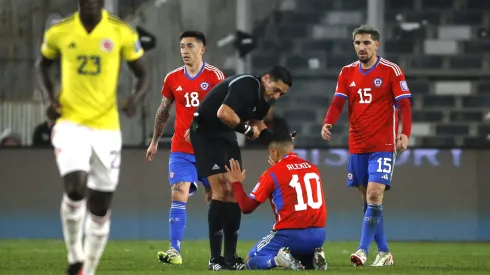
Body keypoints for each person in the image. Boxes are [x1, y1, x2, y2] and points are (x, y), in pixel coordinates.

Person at [35, 0, 150, 274]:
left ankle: (86, 269)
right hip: (70, 122)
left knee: (99, 206)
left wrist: (135, 98)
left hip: (107, 127)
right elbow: (42, 65)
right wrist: (49, 99)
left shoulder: (121, 32)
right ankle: (75, 254)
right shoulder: (60, 32)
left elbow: (143, 72)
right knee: (75, 187)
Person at [321, 25, 412, 267]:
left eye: (367, 43)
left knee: (374, 194)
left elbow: (404, 105)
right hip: (357, 145)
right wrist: (328, 123)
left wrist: (405, 133)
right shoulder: (347, 72)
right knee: (369, 201)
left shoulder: (391, 70)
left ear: (376, 45)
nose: (362, 47)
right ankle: (384, 252)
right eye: (358, 43)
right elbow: (338, 102)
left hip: (383, 144)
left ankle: (362, 250)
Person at [190, 65, 293, 270]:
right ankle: (215, 259)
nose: (277, 95)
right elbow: (224, 112)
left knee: (234, 189)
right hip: (206, 133)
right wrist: (247, 130)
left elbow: (258, 125)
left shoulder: (265, 100)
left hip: (226, 135)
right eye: (277, 89)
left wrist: (278, 141)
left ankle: (230, 258)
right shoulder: (247, 84)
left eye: (282, 93)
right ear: (266, 78)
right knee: (221, 190)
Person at [145, 30, 225, 265]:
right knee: (178, 193)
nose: (184, 51)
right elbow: (163, 112)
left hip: (209, 149)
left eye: (190, 46)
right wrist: (154, 141)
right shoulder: (172, 78)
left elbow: (223, 112)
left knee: (215, 197)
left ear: (202, 49)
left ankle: (216, 255)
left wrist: (201, 128)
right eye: (181, 46)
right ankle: (174, 250)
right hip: (181, 149)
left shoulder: (215, 76)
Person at [225, 131, 328, 270]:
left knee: (251, 260)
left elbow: (246, 207)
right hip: (318, 236)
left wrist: (236, 183)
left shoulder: (273, 173)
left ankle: (277, 261)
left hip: (290, 235)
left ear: (274, 152)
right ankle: (313, 258)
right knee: (295, 259)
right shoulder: (312, 168)